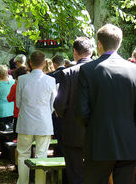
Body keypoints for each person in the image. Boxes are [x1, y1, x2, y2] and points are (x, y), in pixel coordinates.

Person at [75, 24, 136, 184]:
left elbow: (81, 111)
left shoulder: (88, 70)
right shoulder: (134, 70)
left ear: (99, 44)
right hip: (129, 143)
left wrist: (95, 126)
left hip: (98, 142)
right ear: (119, 43)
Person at [54, 37, 93, 184]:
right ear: (92, 51)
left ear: (75, 52)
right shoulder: (101, 70)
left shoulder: (68, 73)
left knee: (75, 173)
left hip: (73, 129)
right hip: (98, 130)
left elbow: (59, 104)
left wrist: (65, 115)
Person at [16, 51, 56, 184]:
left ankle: (23, 182)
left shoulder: (22, 79)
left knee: (23, 154)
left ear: (30, 63)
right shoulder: (51, 80)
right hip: (44, 122)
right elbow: (53, 105)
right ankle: (40, 182)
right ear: (45, 64)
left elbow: (18, 103)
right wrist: (45, 112)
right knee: (42, 155)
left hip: (26, 121)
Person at [7, 66, 28, 140]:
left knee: (17, 135)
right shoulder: (29, 85)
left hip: (17, 113)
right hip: (28, 113)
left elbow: (9, 98)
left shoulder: (15, 86)